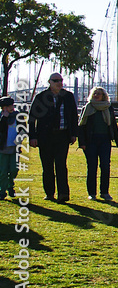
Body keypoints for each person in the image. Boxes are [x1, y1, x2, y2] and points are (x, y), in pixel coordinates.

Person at [28, 73, 79, 202]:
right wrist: (32, 136)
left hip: (62, 135)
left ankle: (63, 194)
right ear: (49, 82)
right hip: (45, 137)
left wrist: (73, 134)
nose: (59, 83)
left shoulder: (68, 96)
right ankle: (50, 193)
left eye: (61, 80)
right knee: (47, 166)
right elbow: (32, 118)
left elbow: (73, 116)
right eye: (56, 80)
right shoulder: (41, 97)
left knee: (61, 165)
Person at [77, 87, 118, 201]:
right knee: (92, 167)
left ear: (104, 96)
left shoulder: (108, 108)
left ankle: (104, 192)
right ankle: (92, 193)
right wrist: (82, 142)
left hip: (105, 140)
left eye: (99, 94)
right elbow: (81, 126)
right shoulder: (87, 108)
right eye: (95, 93)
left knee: (105, 166)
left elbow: (113, 125)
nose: (96, 95)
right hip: (90, 141)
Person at [0, 96, 20, 199]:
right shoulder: (1, 117)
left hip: (14, 148)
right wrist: (4, 118)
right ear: (3, 108)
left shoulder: (17, 116)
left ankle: (10, 184)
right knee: (3, 171)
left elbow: (23, 129)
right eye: (8, 106)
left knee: (14, 169)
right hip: (3, 148)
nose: (11, 107)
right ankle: (2, 191)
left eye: (12, 105)